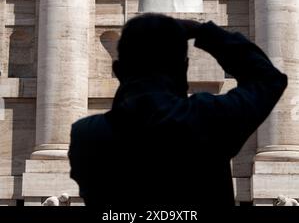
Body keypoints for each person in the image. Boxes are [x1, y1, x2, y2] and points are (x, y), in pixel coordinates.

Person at [68, 14, 287, 209]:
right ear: (183, 69)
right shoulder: (206, 120)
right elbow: (268, 79)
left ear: (117, 70)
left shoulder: (85, 136)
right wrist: (204, 32)